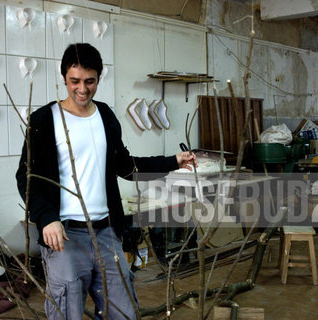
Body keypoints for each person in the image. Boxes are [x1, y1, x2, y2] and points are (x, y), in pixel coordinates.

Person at [16, 43, 196, 319]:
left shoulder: (106, 117)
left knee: (123, 311)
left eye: (90, 81)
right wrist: (45, 217)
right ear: (64, 77)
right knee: (67, 313)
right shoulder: (43, 120)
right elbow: (26, 177)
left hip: (106, 232)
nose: (82, 89)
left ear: (99, 78)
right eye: (75, 81)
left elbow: (126, 166)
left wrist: (173, 161)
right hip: (63, 235)